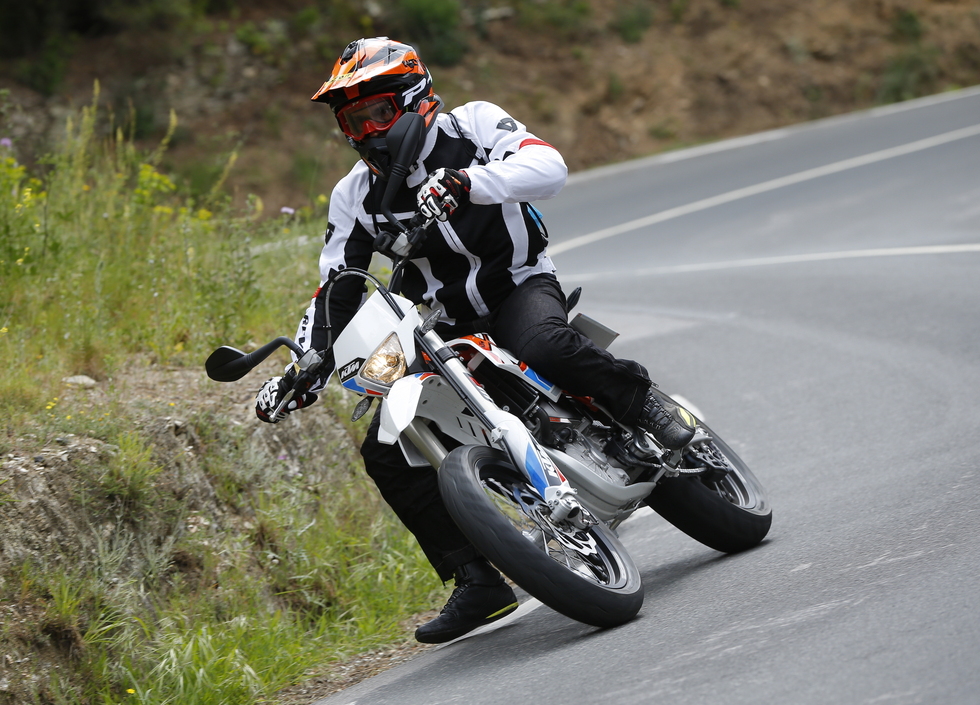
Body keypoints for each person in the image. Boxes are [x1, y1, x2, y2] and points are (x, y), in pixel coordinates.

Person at [254, 37, 695, 644]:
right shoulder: (354, 194)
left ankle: (646, 407)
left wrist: (469, 182)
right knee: (387, 448)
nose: (368, 131)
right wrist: (305, 366)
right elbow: (337, 283)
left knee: (543, 344)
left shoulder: (474, 126)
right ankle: (477, 579)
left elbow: (550, 167)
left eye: (379, 113)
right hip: (442, 322)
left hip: (518, 285)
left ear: (415, 98)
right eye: (354, 121)